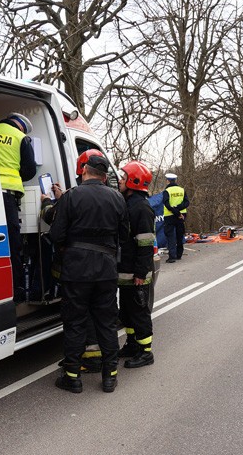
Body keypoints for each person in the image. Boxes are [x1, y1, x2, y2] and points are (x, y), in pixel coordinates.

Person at [49, 152, 128, 393]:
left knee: (75, 323)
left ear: (84, 170)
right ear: (105, 176)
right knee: (106, 324)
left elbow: (55, 235)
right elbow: (123, 236)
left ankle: (72, 377)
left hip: (76, 271)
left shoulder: (71, 197)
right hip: (105, 271)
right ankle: (110, 376)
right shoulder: (117, 198)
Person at [0, 113, 37, 302]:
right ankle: (16, 293)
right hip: (6, 196)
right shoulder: (20, 138)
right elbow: (30, 171)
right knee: (13, 245)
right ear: (21, 127)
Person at [116, 160, 156, 369]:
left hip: (136, 273)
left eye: (123, 178)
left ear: (133, 181)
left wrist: (140, 272)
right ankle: (132, 344)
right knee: (127, 311)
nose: (120, 181)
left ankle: (145, 351)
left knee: (139, 312)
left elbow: (145, 242)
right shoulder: (128, 203)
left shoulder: (140, 207)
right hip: (126, 271)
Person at [162, 173, 188, 263]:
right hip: (182, 215)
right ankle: (179, 254)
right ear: (175, 180)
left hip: (169, 216)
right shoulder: (182, 190)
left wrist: (175, 211)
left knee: (170, 236)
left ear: (168, 181)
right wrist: (178, 210)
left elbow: (166, 204)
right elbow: (186, 202)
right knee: (180, 234)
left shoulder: (167, 191)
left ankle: (172, 256)